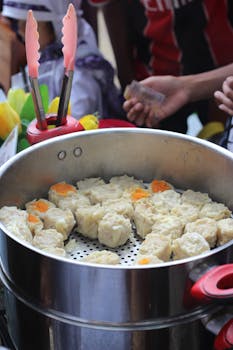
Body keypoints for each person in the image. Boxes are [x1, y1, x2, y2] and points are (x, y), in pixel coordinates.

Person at [89, 0, 233, 133]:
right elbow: (112, 8)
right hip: (156, 79)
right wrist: (126, 77)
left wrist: (189, 88)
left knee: (221, 131)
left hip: (222, 70)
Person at [0, 0, 124, 120]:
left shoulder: (79, 73)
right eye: (19, 24)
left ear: (56, 24)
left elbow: (76, 122)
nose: (21, 32)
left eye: (28, 25)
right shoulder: (45, 60)